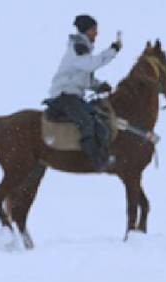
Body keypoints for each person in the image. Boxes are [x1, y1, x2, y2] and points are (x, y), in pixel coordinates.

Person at [46, 14, 122, 171]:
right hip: (64, 95)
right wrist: (112, 50)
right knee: (87, 122)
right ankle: (97, 161)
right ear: (86, 30)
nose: (97, 33)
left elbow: (84, 78)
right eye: (94, 29)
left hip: (73, 95)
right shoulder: (78, 48)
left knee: (99, 119)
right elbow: (90, 65)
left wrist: (99, 86)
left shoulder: (83, 49)